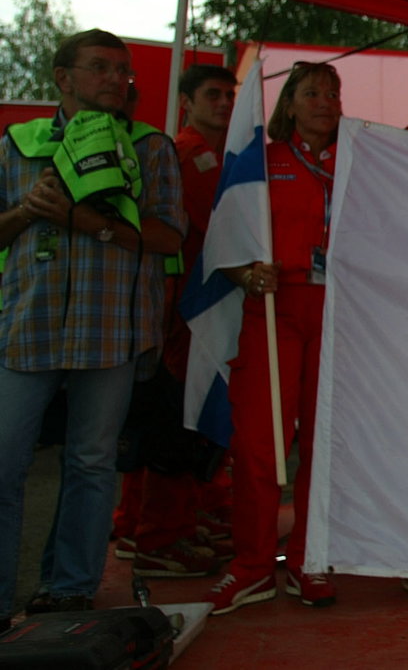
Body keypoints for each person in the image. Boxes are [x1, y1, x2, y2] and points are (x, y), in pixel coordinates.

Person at [0, 29, 184, 619]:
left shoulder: (151, 147)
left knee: (90, 462)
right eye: (100, 68)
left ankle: (70, 588)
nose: (115, 79)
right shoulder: (18, 144)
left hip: (112, 330)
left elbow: (169, 236)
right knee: (5, 462)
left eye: (122, 70)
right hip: (25, 327)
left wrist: (88, 222)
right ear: (63, 77)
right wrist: (28, 211)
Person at [205, 62, 341, 615]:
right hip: (272, 310)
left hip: (337, 316)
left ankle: (309, 560)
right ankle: (254, 565)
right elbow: (225, 238)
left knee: (322, 448)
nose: (325, 102)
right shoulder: (262, 162)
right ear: (288, 103)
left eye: (333, 93)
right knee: (261, 447)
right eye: (312, 92)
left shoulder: (359, 162)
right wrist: (243, 273)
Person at [116, 64, 239, 580]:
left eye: (229, 95)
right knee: (180, 416)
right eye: (213, 95)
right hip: (188, 306)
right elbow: (215, 230)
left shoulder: (219, 155)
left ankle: (143, 522)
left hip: (198, 304)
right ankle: (159, 534)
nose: (224, 104)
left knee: (179, 414)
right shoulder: (183, 154)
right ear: (186, 101)